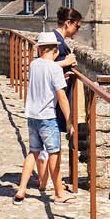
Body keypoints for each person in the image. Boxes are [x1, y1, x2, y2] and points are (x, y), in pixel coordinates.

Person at [14, 18, 74, 203]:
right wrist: (70, 121)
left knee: (33, 152)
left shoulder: (34, 65)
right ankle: (58, 193)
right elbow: (62, 97)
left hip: (32, 115)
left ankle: (21, 189)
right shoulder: (54, 69)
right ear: (56, 50)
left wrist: (60, 75)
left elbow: (44, 78)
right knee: (54, 153)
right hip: (48, 117)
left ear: (40, 49)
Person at [31, 7, 83, 197]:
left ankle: (44, 181)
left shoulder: (56, 39)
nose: (77, 31)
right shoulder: (55, 41)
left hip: (44, 102)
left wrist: (65, 72)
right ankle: (56, 186)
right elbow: (43, 64)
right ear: (68, 23)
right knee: (52, 145)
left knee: (42, 146)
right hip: (51, 102)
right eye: (77, 26)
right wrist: (66, 62)